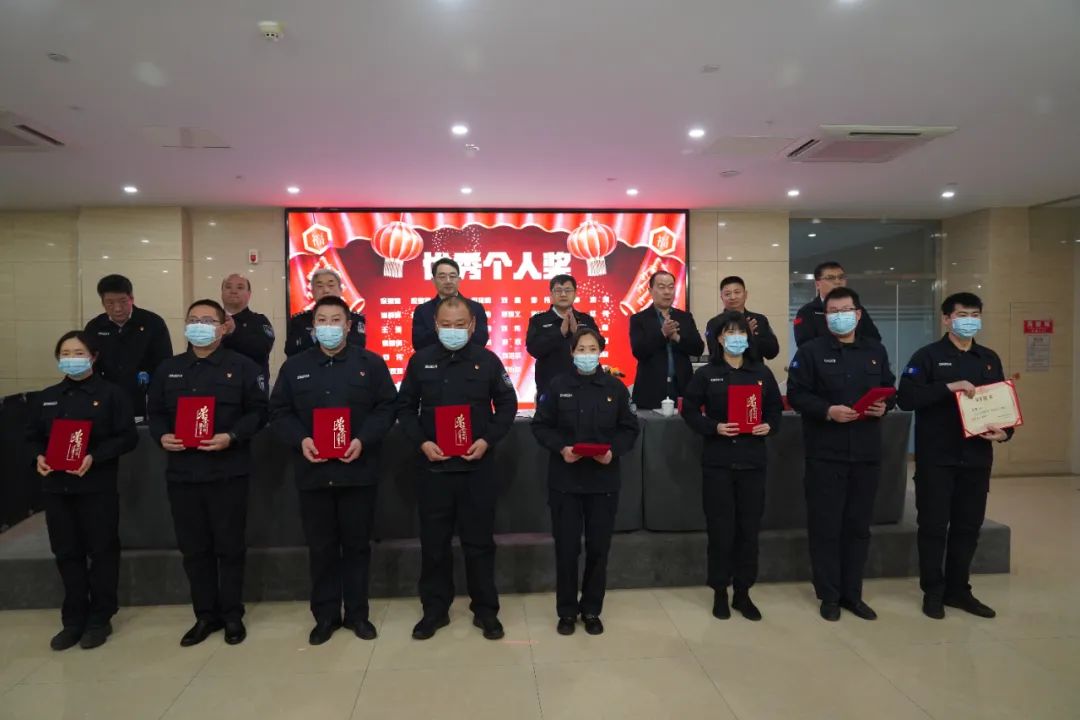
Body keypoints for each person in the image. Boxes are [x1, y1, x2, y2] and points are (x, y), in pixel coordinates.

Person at [270, 296, 398, 645]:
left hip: (358, 470)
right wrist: (301, 440)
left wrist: (363, 439)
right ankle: (325, 616)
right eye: (322, 320)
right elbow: (279, 412)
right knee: (322, 548)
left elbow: (387, 407)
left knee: (357, 547)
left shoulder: (370, 364)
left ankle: (357, 615)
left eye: (335, 320)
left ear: (348, 325)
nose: (329, 326)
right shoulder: (294, 367)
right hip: (313, 473)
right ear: (313, 327)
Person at [148, 299, 268, 647]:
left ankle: (232, 615)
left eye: (207, 320)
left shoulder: (243, 367)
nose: (199, 325)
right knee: (194, 549)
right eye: (193, 319)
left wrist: (232, 436)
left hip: (228, 472)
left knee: (230, 547)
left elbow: (258, 412)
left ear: (223, 327)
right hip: (183, 474)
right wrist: (161, 435)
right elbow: (155, 412)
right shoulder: (168, 369)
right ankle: (204, 615)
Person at [397, 296, 517, 641]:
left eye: (460, 325)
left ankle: (486, 611)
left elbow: (507, 404)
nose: (453, 330)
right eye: (446, 325)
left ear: (472, 325)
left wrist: (488, 440)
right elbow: (405, 408)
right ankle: (434, 611)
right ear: (436, 326)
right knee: (434, 545)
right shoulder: (420, 361)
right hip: (433, 469)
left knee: (479, 544)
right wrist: (422, 442)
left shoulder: (487, 361)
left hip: (476, 469)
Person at [897, 292, 1012, 620]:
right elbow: (906, 398)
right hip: (937, 458)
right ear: (946, 319)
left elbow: (1001, 404)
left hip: (976, 458)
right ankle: (933, 591)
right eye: (962, 315)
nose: (969, 321)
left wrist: (1005, 433)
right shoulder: (928, 357)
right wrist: (948, 387)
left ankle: (959, 590)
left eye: (975, 315)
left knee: (968, 527)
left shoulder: (988, 358)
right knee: (933, 527)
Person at [787, 287, 895, 622]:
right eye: (833, 312)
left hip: (865, 453)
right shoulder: (810, 352)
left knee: (858, 527)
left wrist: (884, 405)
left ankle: (853, 594)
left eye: (845, 310)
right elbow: (796, 394)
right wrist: (827, 410)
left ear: (858, 314)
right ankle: (829, 595)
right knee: (826, 527)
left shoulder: (875, 350)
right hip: (825, 453)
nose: (839, 316)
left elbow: (890, 389)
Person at [27, 331, 138, 651]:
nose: (71, 359)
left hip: (96, 487)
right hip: (56, 488)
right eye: (65, 353)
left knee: (102, 552)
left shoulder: (111, 395)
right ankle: (73, 619)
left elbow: (127, 437)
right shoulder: (47, 397)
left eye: (78, 353)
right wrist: (38, 457)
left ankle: (100, 618)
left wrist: (95, 457)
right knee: (66, 552)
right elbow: (31, 437)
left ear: (93, 356)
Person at [531, 327, 639, 636]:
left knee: (598, 548)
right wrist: (561, 448)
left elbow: (630, 428)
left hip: (603, 481)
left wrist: (613, 451)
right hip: (565, 480)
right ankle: (566, 612)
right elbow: (541, 426)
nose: (587, 355)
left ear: (600, 352)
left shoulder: (615, 388)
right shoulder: (557, 385)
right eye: (581, 349)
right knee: (566, 549)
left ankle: (591, 609)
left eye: (592, 349)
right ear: (572, 352)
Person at [681, 311, 782, 621]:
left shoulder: (761, 373)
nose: (736, 338)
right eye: (730, 332)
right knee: (721, 531)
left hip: (752, 463)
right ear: (720, 339)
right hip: (719, 464)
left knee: (748, 531)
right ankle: (720, 592)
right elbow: (689, 410)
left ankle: (743, 592)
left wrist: (769, 426)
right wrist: (714, 427)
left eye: (741, 333)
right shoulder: (706, 374)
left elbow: (775, 410)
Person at [84, 274, 173, 419]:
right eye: (110, 303)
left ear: (132, 298)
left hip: (144, 396)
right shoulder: (95, 326)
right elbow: (91, 364)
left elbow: (164, 363)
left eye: (123, 301)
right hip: (106, 397)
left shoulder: (153, 322)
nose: (117, 308)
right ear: (102, 302)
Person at [629, 271, 704, 409]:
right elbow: (639, 351)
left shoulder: (685, 317)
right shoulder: (639, 319)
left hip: (682, 388)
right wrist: (663, 334)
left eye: (671, 287)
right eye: (661, 287)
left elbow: (698, 348)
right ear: (650, 291)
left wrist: (677, 337)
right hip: (651, 390)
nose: (667, 292)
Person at [525, 274, 599, 397]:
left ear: (575, 294)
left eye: (568, 290)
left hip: (584, 386)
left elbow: (600, 345)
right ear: (551, 294)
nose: (563, 294)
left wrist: (578, 334)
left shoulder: (586, 319)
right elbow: (533, 349)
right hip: (550, 388)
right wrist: (559, 333)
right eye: (558, 290)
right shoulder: (538, 320)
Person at [793, 261, 881, 348]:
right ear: (817, 284)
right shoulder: (807, 311)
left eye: (841, 277)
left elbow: (874, 339)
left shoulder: (856, 309)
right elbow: (804, 345)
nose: (837, 282)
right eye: (830, 278)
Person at [411, 257, 490, 351]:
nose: (448, 281)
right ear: (433, 281)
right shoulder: (422, 310)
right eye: (442, 277)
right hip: (435, 358)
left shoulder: (476, 308)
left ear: (459, 280)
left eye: (452, 276)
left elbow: (481, 339)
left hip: (468, 358)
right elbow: (418, 343)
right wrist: (442, 332)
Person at [286, 268, 366, 356]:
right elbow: (290, 350)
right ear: (312, 292)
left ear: (341, 290)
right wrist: (314, 337)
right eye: (320, 286)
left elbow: (358, 346)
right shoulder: (299, 320)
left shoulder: (355, 319)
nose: (326, 290)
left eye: (331, 285)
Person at [704, 276, 780, 361]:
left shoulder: (759, 320)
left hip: (754, 368)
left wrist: (751, 336)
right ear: (722, 297)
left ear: (745, 294)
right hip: (724, 369)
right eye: (727, 294)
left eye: (737, 292)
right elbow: (714, 353)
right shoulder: (714, 323)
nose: (733, 297)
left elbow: (772, 353)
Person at [220, 273, 275, 381]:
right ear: (221, 292)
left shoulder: (260, 321)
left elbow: (262, 349)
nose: (233, 291)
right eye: (228, 287)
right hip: (216, 384)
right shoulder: (212, 321)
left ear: (249, 294)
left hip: (250, 385)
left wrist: (234, 332)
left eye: (240, 287)